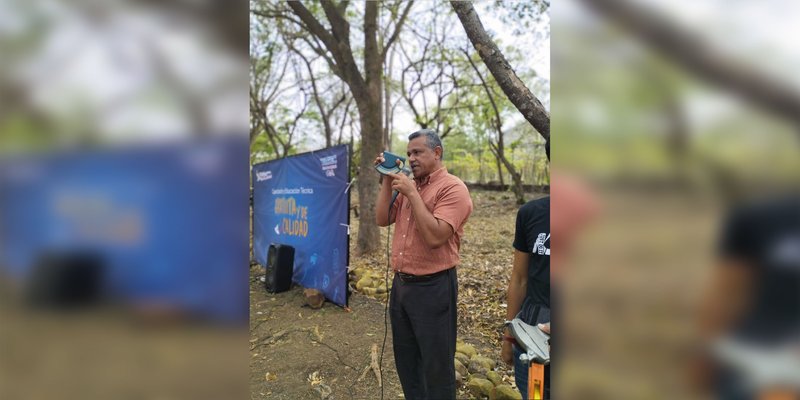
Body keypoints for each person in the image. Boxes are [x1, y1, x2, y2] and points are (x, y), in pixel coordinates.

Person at [374, 129, 473, 400]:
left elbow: (435, 237)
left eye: (417, 152)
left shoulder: (453, 188)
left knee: (436, 365)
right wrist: (387, 179)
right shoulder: (409, 186)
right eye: (408, 154)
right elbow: (382, 219)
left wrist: (412, 194)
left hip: (434, 287)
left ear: (437, 153)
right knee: (407, 361)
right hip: (402, 286)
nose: (411, 158)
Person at [502, 139, 551, 399]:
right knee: (535, 394)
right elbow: (519, 279)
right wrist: (510, 336)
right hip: (531, 333)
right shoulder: (532, 213)